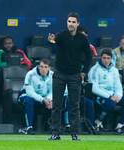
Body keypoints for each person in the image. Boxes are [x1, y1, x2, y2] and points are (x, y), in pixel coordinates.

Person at [48, 12, 92, 141]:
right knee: (56, 105)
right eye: (69, 21)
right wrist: (51, 40)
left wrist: (83, 73)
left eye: (73, 22)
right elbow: (54, 39)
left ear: (78, 23)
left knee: (74, 106)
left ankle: (74, 133)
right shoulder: (62, 35)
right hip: (60, 74)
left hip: (74, 75)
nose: (70, 24)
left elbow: (89, 57)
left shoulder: (83, 39)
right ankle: (55, 133)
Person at [88, 49, 124, 133]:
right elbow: (94, 87)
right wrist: (109, 96)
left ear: (111, 59)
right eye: (104, 58)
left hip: (113, 95)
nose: (106, 60)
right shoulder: (94, 69)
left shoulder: (114, 70)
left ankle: (120, 125)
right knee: (111, 104)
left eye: (108, 58)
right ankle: (98, 121)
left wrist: (117, 95)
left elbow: (118, 85)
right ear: (100, 58)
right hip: (99, 95)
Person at [17, 59, 53, 134]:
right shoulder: (30, 74)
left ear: (49, 68)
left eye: (45, 67)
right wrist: (43, 100)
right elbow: (30, 92)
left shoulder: (52, 75)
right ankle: (29, 127)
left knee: (55, 101)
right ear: (38, 67)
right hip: (25, 96)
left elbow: (52, 90)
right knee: (29, 100)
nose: (43, 69)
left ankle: (50, 126)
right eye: (41, 67)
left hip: (44, 98)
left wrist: (49, 99)